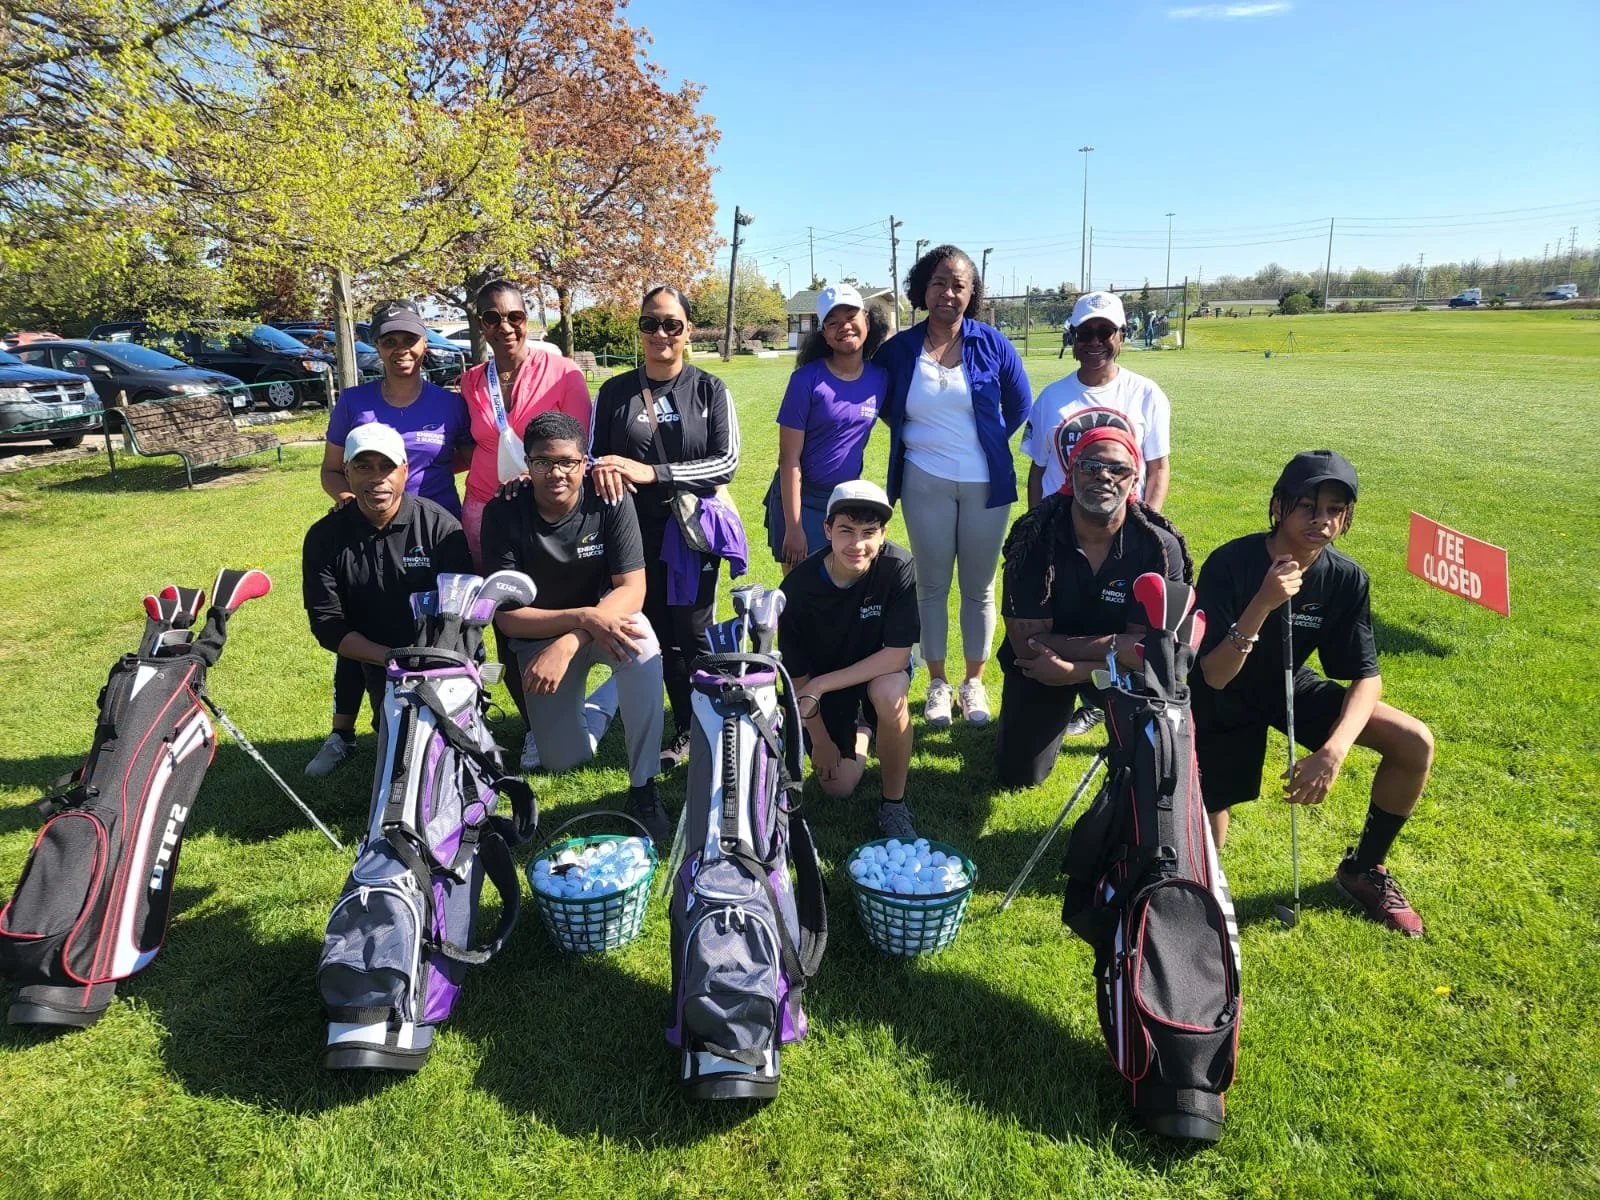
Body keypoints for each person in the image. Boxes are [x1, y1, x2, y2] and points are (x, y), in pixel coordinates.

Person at [1191, 451, 1435, 937]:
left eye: (1334, 509)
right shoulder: (1230, 562)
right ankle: (1199, 890)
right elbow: (1214, 674)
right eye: (1307, 505)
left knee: (1414, 742)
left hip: (1287, 684)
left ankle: (1363, 870)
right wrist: (1263, 601)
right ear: (1278, 506)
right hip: (1220, 693)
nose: (1321, 520)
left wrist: (1333, 751)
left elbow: (1366, 678)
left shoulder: (1346, 578)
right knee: (1211, 820)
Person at [480, 412, 669, 843]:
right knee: (565, 760)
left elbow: (633, 590)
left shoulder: (611, 499)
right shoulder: (503, 512)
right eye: (543, 462)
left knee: (643, 647)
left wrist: (576, 633)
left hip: (596, 625)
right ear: (526, 465)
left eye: (567, 461)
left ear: (585, 463)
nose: (556, 472)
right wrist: (577, 623)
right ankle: (606, 702)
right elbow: (506, 616)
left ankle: (644, 787)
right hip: (538, 637)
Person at [306, 302, 474, 777]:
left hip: (433, 530)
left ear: (425, 344)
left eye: (410, 340)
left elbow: (461, 456)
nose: (401, 350)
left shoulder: (448, 403)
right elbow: (332, 468)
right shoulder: (354, 402)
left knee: (439, 620)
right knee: (361, 617)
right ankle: (343, 732)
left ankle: (454, 708)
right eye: (389, 341)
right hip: (365, 525)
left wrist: (420, 489)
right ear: (376, 346)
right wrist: (349, 498)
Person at [874, 245, 1032, 729]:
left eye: (959, 285)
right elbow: (883, 403)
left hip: (987, 482)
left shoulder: (993, 343)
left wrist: (982, 441)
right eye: (940, 282)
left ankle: (974, 682)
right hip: (925, 479)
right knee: (932, 584)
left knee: (980, 587)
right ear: (923, 288)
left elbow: (1020, 405)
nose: (948, 292)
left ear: (972, 294)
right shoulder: (899, 350)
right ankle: (938, 683)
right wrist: (924, 442)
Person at [590, 286, 741, 773]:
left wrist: (652, 473)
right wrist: (606, 470)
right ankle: (661, 725)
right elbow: (596, 457)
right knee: (644, 630)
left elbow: (727, 462)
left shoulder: (710, 389)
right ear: (639, 329)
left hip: (690, 533)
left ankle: (700, 724)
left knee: (692, 633)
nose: (661, 334)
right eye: (651, 324)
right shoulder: (614, 392)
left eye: (672, 325)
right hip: (629, 533)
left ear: (687, 330)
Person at [994, 427, 1191, 788]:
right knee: (1020, 776)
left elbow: (1152, 649)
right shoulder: (1034, 538)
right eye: (1090, 466)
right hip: (1041, 669)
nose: (1104, 476)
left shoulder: (1159, 548)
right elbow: (1029, 645)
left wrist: (1073, 670)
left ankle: (1098, 703)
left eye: (1118, 470)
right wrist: (1119, 649)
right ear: (1071, 473)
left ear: (1135, 479)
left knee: (1154, 764)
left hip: (1110, 672)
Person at [1021, 290, 1174, 739]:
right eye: (1084, 332)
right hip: (1064, 533)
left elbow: (1158, 467)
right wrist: (1038, 529)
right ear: (1072, 336)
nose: (1094, 342)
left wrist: (1148, 527)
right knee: (1064, 616)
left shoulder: (1145, 394)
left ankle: (1100, 697)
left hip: (1122, 532)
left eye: (1104, 332)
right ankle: (1063, 692)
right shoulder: (1052, 397)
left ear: (1121, 337)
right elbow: (1038, 470)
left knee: (1121, 622)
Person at [459, 279, 593, 771]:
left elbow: (579, 446)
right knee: (499, 621)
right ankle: (531, 723)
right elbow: (470, 445)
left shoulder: (562, 373)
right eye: (492, 318)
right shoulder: (472, 382)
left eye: (514, 316)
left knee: (544, 611)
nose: (505, 327)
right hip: (482, 513)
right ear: (481, 324)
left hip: (542, 513)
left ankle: (560, 707)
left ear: (528, 319)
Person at [778, 481, 919, 838]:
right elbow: (798, 683)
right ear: (827, 530)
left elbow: (898, 654)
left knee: (888, 693)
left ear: (883, 534)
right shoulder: (797, 589)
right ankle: (863, 729)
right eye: (846, 531)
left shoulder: (898, 567)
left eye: (869, 532)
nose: (857, 545)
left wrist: (823, 684)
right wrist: (821, 741)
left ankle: (894, 804)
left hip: (875, 673)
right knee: (837, 787)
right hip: (820, 686)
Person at [765, 284, 889, 567]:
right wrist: (794, 527)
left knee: (846, 589)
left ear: (866, 320)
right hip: (802, 500)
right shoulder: (806, 380)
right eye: (833, 323)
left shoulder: (881, 378)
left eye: (850, 317)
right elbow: (789, 459)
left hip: (845, 502)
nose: (844, 327)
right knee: (802, 594)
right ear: (825, 335)